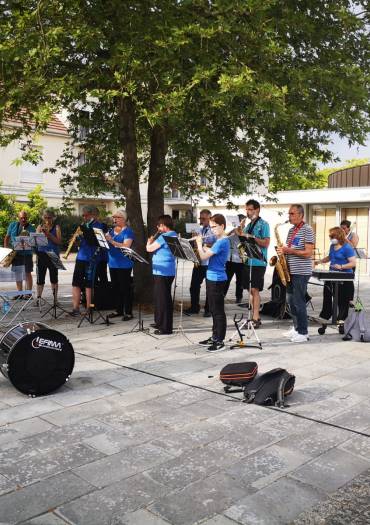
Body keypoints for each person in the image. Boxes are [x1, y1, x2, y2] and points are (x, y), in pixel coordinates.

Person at [277, 204, 315, 343]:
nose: (289, 216)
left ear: (300, 215)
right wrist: (282, 253)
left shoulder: (307, 229)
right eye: (289, 213)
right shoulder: (292, 230)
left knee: (299, 302)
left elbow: (308, 252)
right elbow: (289, 249)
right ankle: (296, 328)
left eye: (292, 214)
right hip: (290, 272)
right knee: (290, 302)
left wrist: (288, 251)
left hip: (301, 272)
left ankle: (303, 333)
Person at [196, 214, 230, 352]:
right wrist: (204, 246)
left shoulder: (222, 241)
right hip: (212, 277)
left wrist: (198, 245)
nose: (212, 230)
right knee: (213, 309)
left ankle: (220, 340)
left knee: (218, 311)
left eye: (214, 227)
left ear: (222, 226)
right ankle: (214, 336)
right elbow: (210, 253)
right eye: (210, 228)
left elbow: (204, 257)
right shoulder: (218, 241)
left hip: (217, 279)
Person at [70, 205, 108, 317]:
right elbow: (81, 242)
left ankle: (89, 308)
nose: (84, 217)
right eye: (83, 215)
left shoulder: (100, 226)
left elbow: (98, 242)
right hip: (81, 257)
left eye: (86, 215)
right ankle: (75, 309)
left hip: (92, 258)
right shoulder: (82, 226)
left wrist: (86, 232)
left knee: (89, 284)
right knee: (76, 283)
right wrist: (76, 240)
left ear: (92, 215)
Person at [315, 226, 356, 325]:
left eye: (332, 236)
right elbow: (330, 257)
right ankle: (325, 315)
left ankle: (341, 319)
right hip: (331, 274)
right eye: (330, 236)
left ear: (339, 236)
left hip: (344, 276)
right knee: (327, 294)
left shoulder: (347, 248)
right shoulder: (332, 246)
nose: (331, 238)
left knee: (342, 299)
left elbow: (353, 263)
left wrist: (341, 266)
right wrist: (319, 261)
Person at [239, 200, 270, 328]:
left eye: (250, 209)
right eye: (246, 209)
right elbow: (242, 238)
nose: (248, 211)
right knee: (250, 290)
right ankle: (252, 315)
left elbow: (266, 243)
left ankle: (256, 317)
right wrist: (240, 229)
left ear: (257, 210)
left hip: (258, 261)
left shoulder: (264, 224)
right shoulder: (249, 224)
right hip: (248, 261)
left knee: (254, 289)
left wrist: (251, 237)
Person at [146, 215, 177, 335]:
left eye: (159, 225)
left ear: (164, 225)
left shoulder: (165, 236)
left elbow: (149, 249)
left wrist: (149, 242)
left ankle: (166, 327)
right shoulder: (173, 234)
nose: (157, 228)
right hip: (165, 271)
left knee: (163, 299)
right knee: (160, 298)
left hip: (163, 271)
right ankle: (159, 322)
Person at [184, 209, 215, 317]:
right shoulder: (201, 229)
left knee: (209, 288)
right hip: (199, 262)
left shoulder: (213, 230)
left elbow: (214, 245)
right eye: (200, 218)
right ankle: (194, 307)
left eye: (203, 219)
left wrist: (202, 243)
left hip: (209, 262)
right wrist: (194, 239)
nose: (201, 221)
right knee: (194, 286)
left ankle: (208, 309)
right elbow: (196, 245)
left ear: (210, 218)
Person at [105, 209, 135, 321]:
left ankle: (128, 312)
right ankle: (118, 310)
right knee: (116, 288)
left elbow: (126, 246)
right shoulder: (111, 231)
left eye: (117, 217)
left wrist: (111, 241)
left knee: (125, 288)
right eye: (114, 217)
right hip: (112, 263)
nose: (114, 219)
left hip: (124, 264)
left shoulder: (128, 231)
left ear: (124, 219)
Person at [4, 210, 35, 294]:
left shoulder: (31, 228)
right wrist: (6, 250)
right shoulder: (13, 225)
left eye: (25, 218)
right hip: (16, 254)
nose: (23, 220)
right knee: (17, 273)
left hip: (27, 254)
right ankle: (19, 293)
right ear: (18, 218)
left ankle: (28, 293)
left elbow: (34, 242)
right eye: (21, 218)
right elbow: (7, 237)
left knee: (27, 273)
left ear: (27, 218)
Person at [35, 209, 62, 301]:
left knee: (54, 278)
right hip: (41, 254)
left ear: (53, 218)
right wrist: (40, 234)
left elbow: (59, 242)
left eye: (49, 218)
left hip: (54, 254)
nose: (47, 219)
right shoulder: (39, 227)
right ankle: (39, 299)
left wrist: (49, 234)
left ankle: (55, 300)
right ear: (43, 217)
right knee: (40, 278)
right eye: (45, 217)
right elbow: (35, 241)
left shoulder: (57, 227)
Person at [224, 214, 245, 303]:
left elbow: (243, 240)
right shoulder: (232, 231)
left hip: (240, 260)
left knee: (240, 281)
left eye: (244, 222)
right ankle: (222, 295)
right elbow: (224, 237)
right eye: (242, 221)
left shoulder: (245, 231)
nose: (243, 224)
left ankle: (239, 297)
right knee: (226, 279)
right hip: (230, 259)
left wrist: (239, 231)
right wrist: (232, 230)